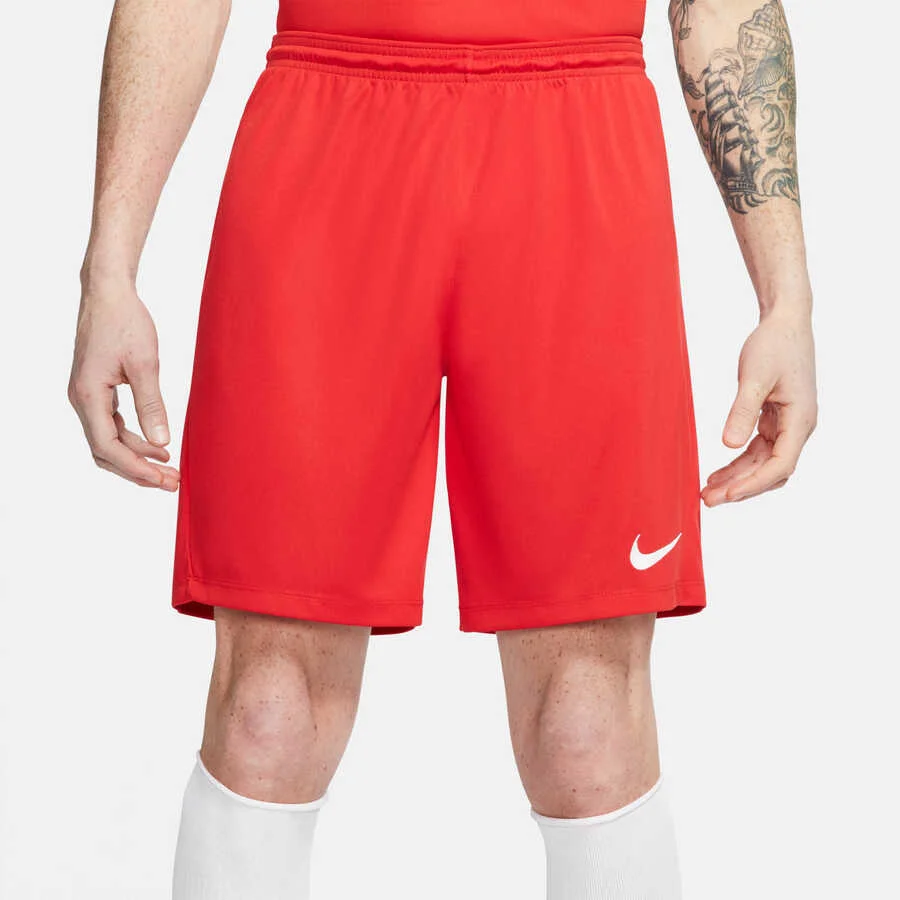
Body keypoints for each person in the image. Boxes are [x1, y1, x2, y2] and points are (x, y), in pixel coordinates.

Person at [67, 0, 817, 897]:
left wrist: (786, 298)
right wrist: (109, 266)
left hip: (578, 135)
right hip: (327, 128)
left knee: (586, 729)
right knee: (268, 715)